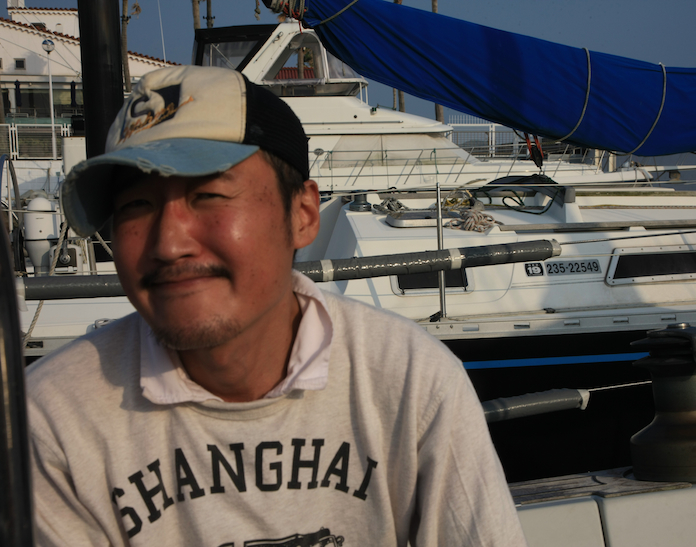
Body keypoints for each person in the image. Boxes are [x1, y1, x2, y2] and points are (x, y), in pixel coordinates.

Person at [25, 65, 528, 546]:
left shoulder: (410, 382)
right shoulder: (54, 419)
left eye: (208, 195)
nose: (168, 243)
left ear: (303, 214)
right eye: (135, 205)